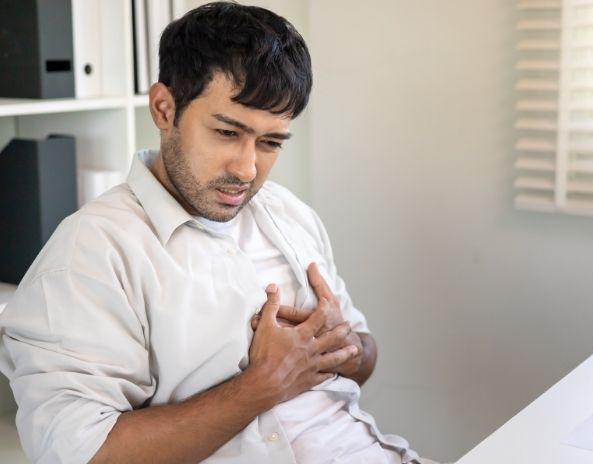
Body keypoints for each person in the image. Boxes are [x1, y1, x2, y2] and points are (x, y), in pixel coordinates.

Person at [0, 2, 434, 463]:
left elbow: (363, 357)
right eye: (227, 133)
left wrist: (343, 350)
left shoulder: (289, 215)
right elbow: (81, 453)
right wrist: (262, 385)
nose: (247, 169)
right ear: (164, 108)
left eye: (270, 142)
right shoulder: (91, 255)